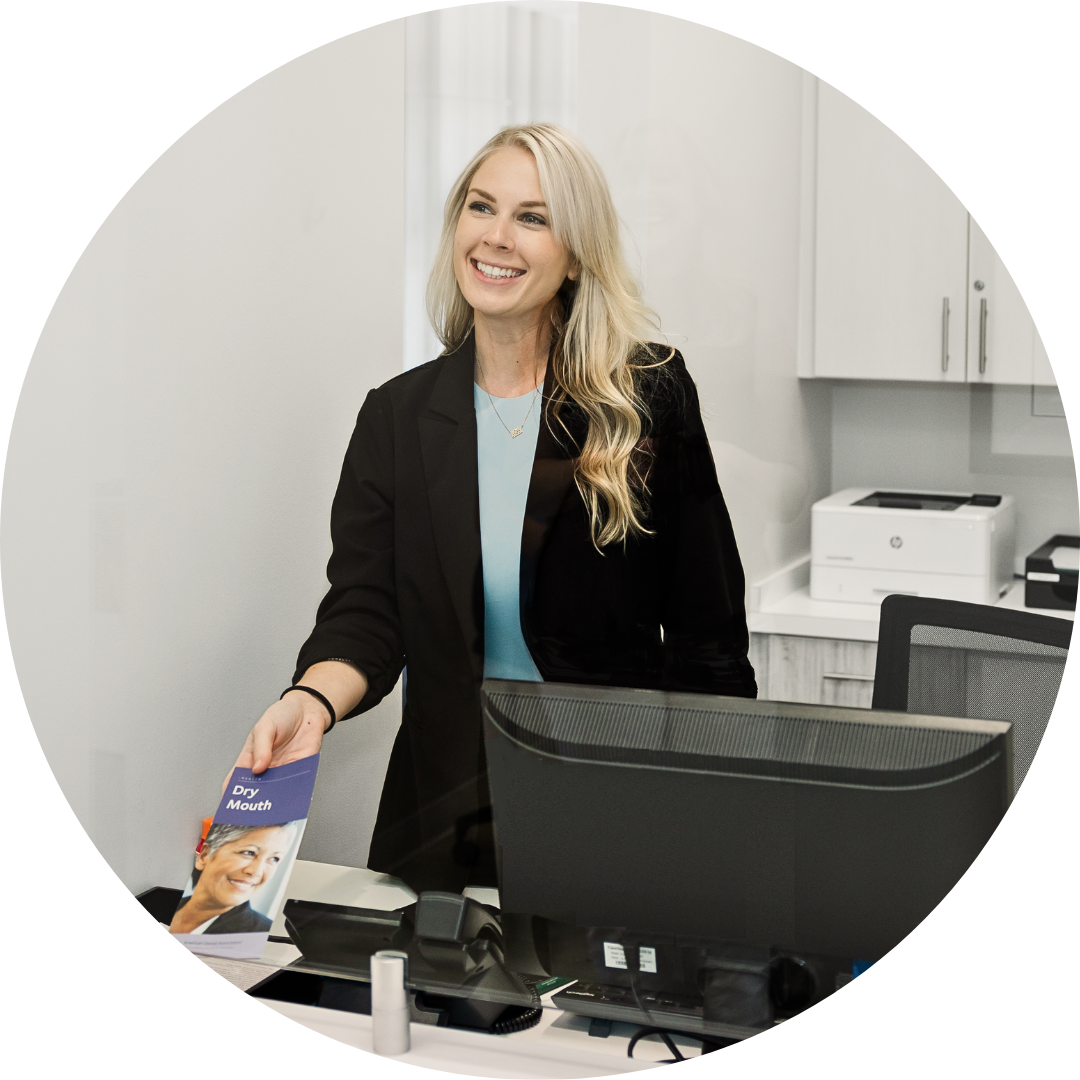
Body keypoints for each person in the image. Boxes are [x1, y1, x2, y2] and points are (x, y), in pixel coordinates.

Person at [233, 123, 757, 893]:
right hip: (444, 818)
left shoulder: (648, 396)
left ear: (575, 253)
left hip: (615, 811)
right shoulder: (398, 417)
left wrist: (713, 833)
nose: (498, 237)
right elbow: (368, 611)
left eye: (533, 217)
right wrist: (310, 703)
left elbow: (709, 641)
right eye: (482, 207)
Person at [169, 822, 295, 934]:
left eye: (274, 859)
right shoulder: (167, 910)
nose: (256, 872)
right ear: (204, 855)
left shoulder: (257, 933)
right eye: (248, 852)